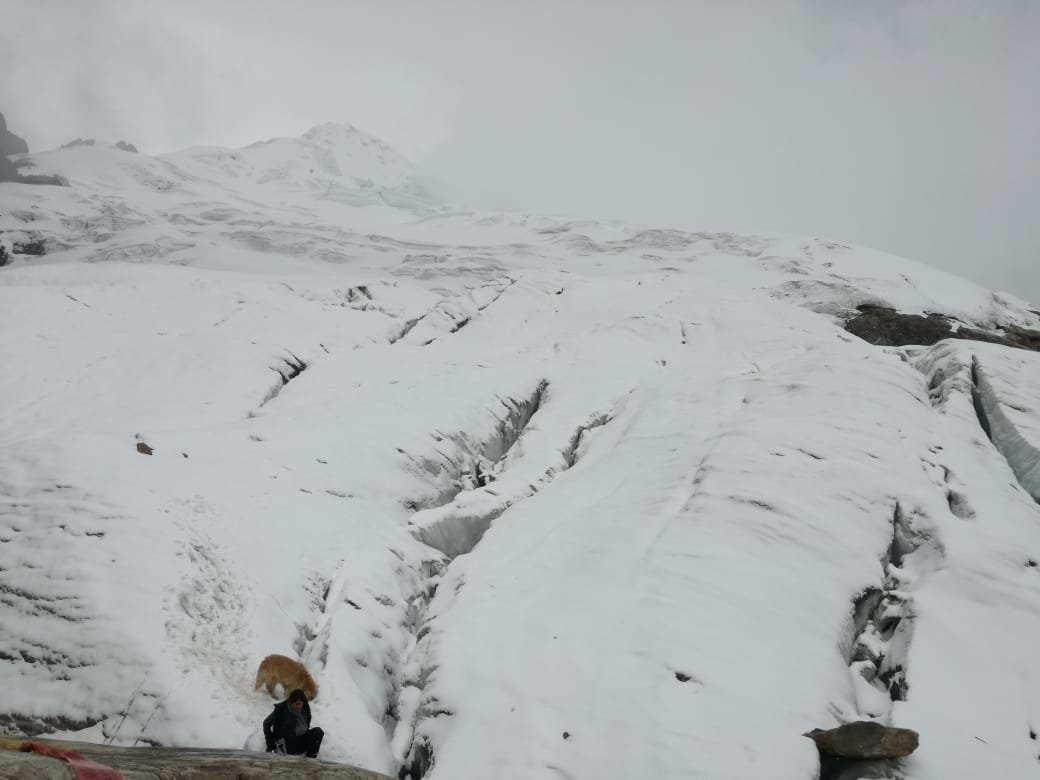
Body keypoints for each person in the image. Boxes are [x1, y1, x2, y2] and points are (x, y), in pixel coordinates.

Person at [262, 688, 324, 758]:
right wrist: (271, 744)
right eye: (297, 704)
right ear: (291, 702)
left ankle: (310, 759)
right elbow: (266, 723)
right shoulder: (281, 709)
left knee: (318, 732)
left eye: (301, 704)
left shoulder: (304, 706)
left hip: (302, 739)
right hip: (288, 745)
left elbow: (307, 720)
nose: (299, 706)